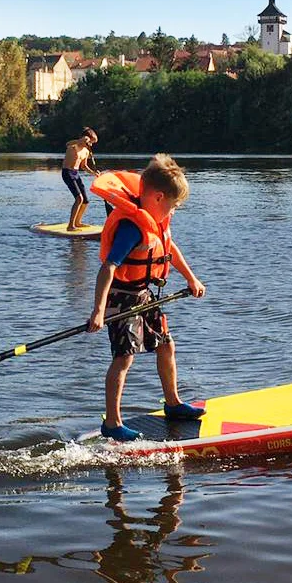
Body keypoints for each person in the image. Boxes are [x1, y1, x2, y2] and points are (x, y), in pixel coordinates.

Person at [87, 154, 207, 442]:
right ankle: (112, 423)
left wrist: (191, 278)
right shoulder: (131, 227)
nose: (174, 212)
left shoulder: (156, 222)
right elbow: (109, 267)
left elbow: (169, 249)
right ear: (157, 197)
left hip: (145, 295)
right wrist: (99, 310)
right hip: (121, 298)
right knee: (124, 358)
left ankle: (173, 403)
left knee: (166, 346)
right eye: (173, 206)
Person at [61, 128, 101, 231]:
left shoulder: (86, 152)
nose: (91, 145)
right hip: (67, 172)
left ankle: (77, 222)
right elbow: (67, 144)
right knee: (79, 199)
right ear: (85, 139)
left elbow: (84, 166)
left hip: (76, 173)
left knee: (85, 201)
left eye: (92, 143)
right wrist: (81, 140)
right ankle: (70, 226)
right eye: (90, 142)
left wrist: (94, 173)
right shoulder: (74, 145)